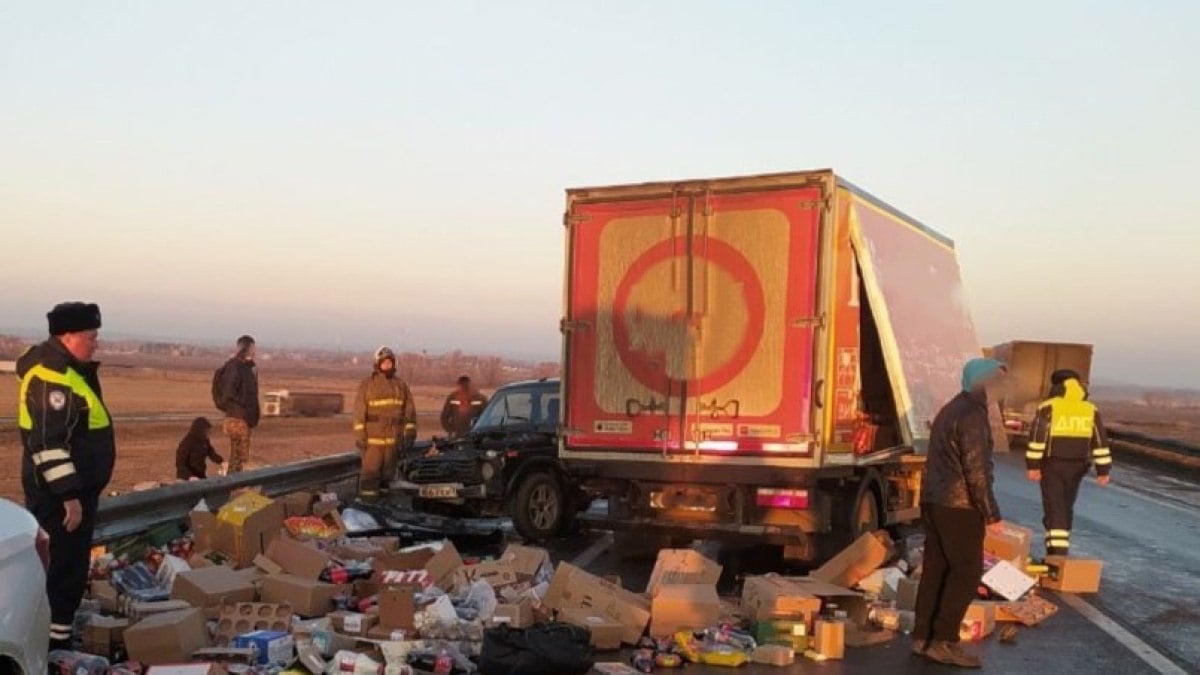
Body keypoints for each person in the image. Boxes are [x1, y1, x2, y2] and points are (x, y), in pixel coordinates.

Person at [17, 302, 114, 650]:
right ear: (69, 336)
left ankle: (56, 639)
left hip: (73, 491)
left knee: (69, 568)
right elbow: (48, 444)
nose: (96, 344)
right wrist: (70, 498)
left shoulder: (69, 370)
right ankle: (53, 649)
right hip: (60, 495)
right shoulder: (50, 378)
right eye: (92, 337)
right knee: (63, 570)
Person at [912, 358, 1008, 669]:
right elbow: (977, 471)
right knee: (966, 574)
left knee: (936, 569)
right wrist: (991, 513)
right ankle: (943, 640)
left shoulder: (953, 408)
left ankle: (922, 637)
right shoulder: (972, 416)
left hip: (936, 501)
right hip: (960, 506)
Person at [1025, 369, 1112, 556]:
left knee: (1054, 506)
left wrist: (1033, 466)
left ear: (1056, 385)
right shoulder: (1090, 409)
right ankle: (1059, 547)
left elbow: (1038, 437)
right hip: (1078, 466)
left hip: (1052, 465)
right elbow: (1100, 440)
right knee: (1065, 506)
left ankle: (1057, 553)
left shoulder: (1049, 407)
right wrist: (1103, 470)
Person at [352, 347, 417, 500]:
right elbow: (359, 414)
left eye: (390, 363)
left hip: (393, 444)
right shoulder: (367, 385)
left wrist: (410, 435)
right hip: (373, 445)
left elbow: (410, 414)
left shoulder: (401, 386)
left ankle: (386, 509)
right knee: (369, 479)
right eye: (384, 363)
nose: (387, 365)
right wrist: (360, 438)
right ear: (377, 364)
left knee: (388, 480)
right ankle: (368, 510)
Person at [216, 335, 260, 473]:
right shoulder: (236, 367)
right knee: (239, 459)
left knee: (237, 458)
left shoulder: (246, 368)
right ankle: (232, 488)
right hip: (237, 419)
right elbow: (230, 392)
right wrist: (243, 408)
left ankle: (231, 485)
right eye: (254, 348)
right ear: (249, 348)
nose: (256, 351)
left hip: (241, 419)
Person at [175, 416, 226, 481]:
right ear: (200, 430)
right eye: (206, 431)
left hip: (200, 475)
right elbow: (180, 463)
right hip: (186, 478)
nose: (208, 434)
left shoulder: (204, 441)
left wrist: (221, 462)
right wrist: (189, 476)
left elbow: (211, 453)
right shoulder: (187, 443)